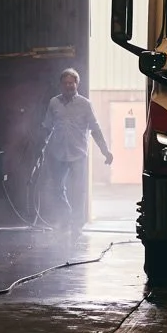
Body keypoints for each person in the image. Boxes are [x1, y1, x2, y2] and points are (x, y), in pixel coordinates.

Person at [41, 68, 112, 226]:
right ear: (60, 85)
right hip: (58, 153)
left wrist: (105, 151)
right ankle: (66, 217)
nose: (68, 86)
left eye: (71, 83)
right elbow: (47, 126)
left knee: (78, 191)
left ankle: (77, 224)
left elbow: (95, 129)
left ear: (77, 84)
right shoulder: (54, 103)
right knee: (56, 188)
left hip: (78, 154)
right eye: (65, 83)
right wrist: (41, 148)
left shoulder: (85, 104)